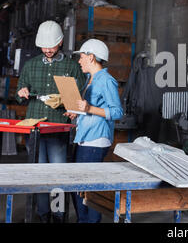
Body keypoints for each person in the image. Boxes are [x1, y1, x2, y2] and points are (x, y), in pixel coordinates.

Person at [16, 20, 86, 223]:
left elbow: (81, 97)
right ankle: (43, 214)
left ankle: (58, 215)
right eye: (44, 47)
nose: (47, 50)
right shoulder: (31, 65)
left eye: (51, 46)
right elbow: (20, 92)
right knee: (38, 172)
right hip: (35, 126)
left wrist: (73, 108)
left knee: (57, 173)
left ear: (61, 42)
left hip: (57, 127)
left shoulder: (72, 67)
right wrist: (22, 92)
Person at [66, 39, 123, 223]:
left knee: (88, 190)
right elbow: (87, 108)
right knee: (80, 188)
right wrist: (77, 112)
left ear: (91, 57)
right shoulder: (90, 80)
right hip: (84, 139)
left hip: (95, 142)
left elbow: (117, 112)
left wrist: (89, 108)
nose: (79, 61)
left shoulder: (106, 80)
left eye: (81, 57)